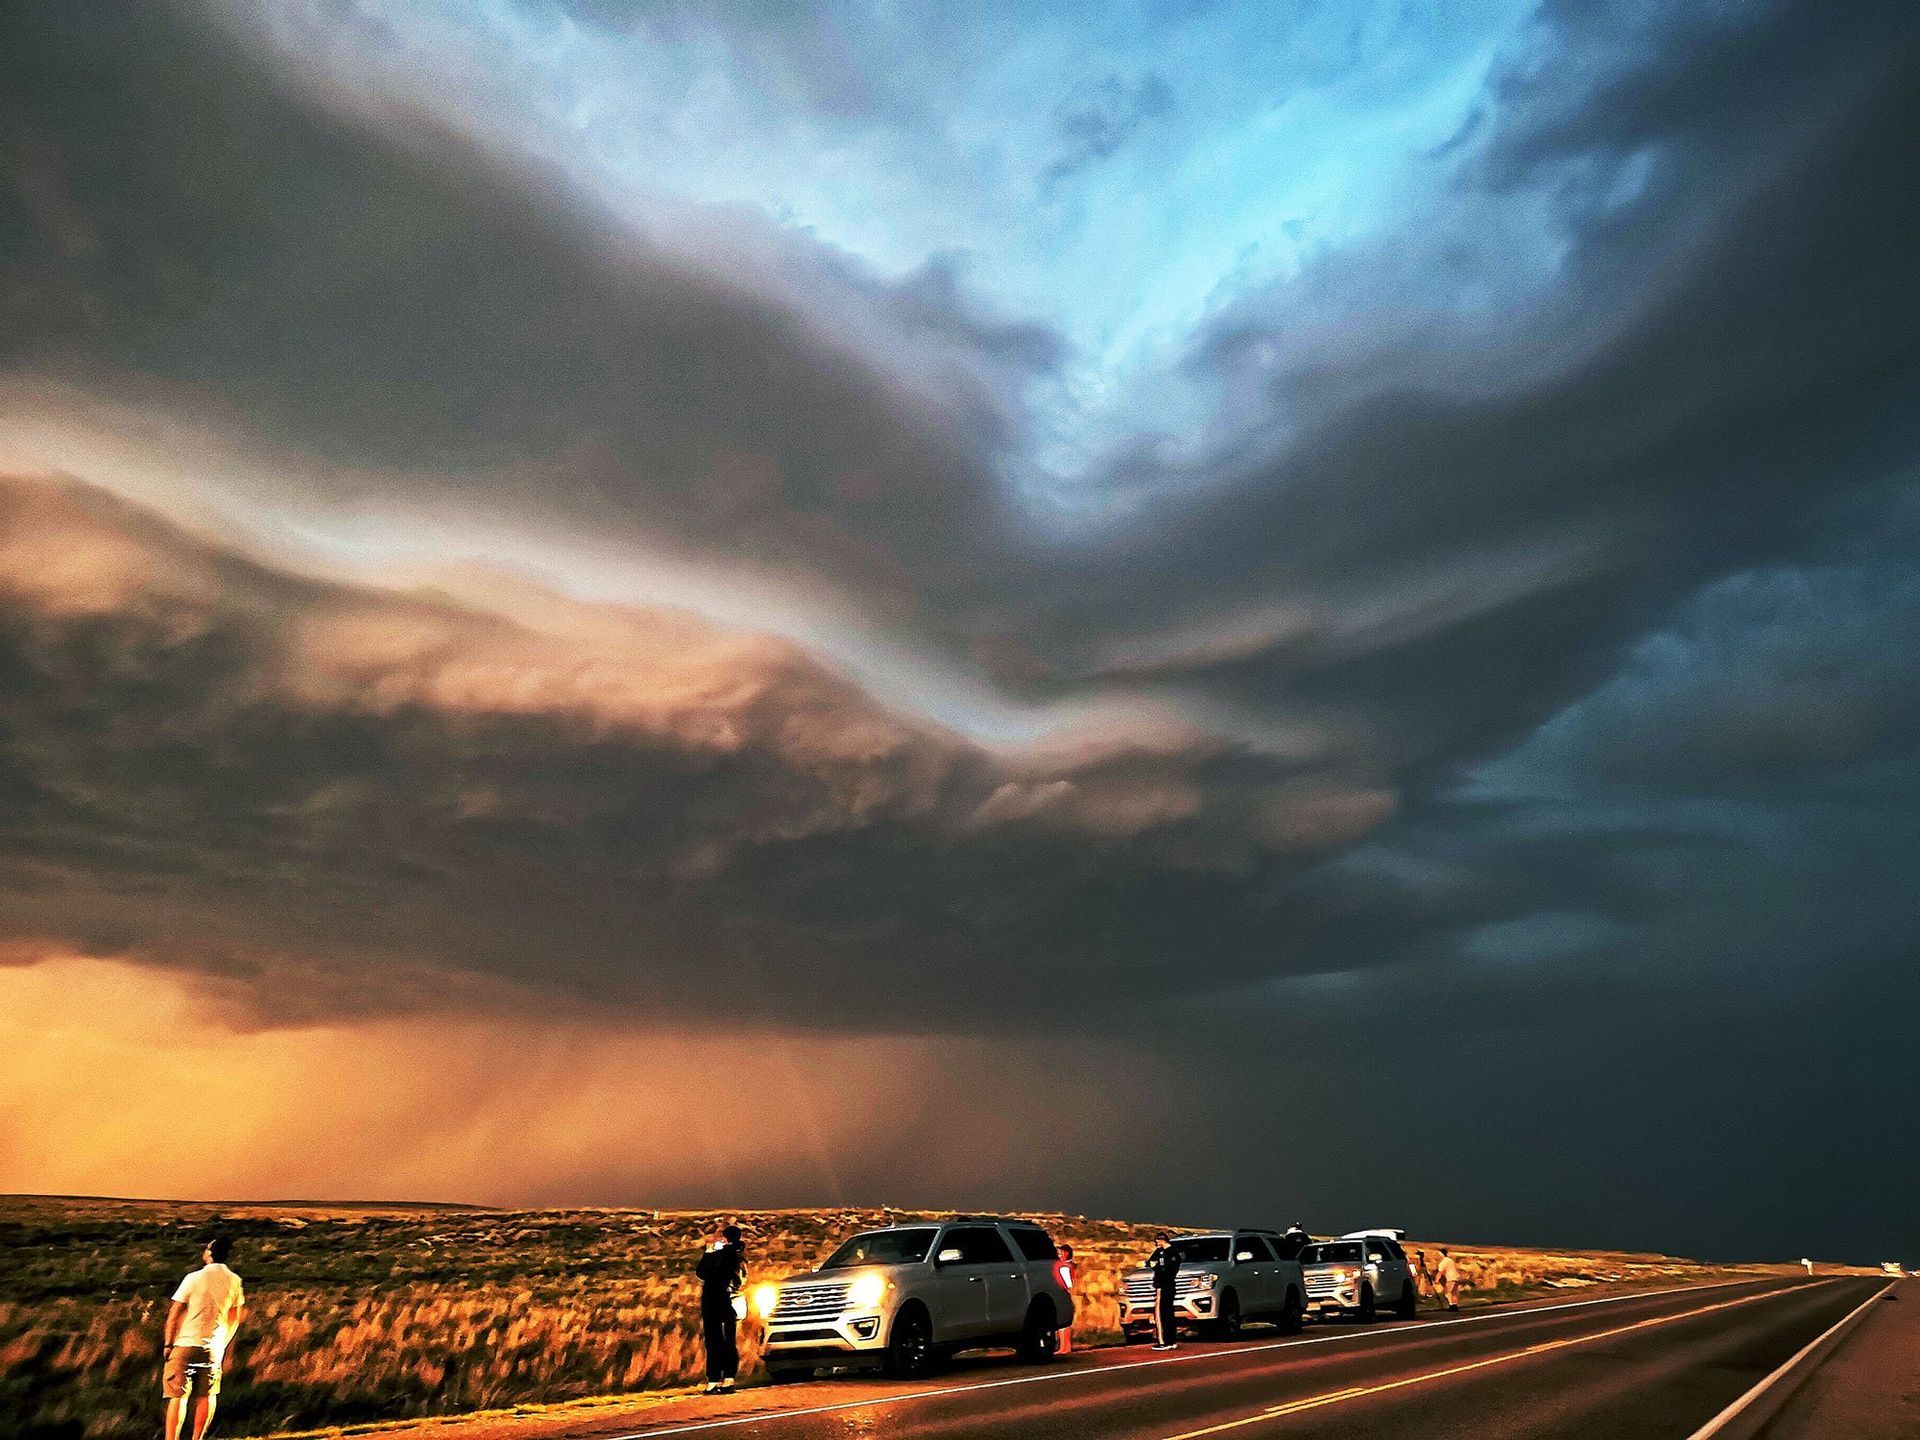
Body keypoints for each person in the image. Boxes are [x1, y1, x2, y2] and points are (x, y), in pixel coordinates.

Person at [163, 1236, 245, 1440]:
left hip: (185, 1343)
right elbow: (235, 1317)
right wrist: (223, 1341)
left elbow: (174, 1313)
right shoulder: (234, 1280)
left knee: (178, 1396)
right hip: (213, 1346)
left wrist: (168, 1343)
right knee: (207, 1395)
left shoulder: (193, 1277)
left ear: (209, 1253)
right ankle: (197, 1438)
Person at [696, 1224, 746, 1393]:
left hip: (714, 1300)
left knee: (713, 1340)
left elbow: (701, 1273)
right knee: (728, 1340)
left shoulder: (720, 1255)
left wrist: (709, 1253)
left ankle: (714, 1379)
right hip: (730, 1300)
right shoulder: (739, 1256)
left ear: (725, 1238)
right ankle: (729, 1378)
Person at [1146, 1232, 1182, 1351]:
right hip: (1162, 1284)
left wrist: (1159, 1268)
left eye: (1157, 1241)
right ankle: (1170, 1341)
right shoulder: (1158, 1252)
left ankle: (1164, 1341)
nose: (1156, 1243)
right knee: (1166, 1313)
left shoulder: (1172, 1252)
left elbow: (1170, 1268)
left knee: (1163, 1313)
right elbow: (1149, 1263)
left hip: (1165, 1285)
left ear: (1162, 1240)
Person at [1435, 1247, 1460, 1311]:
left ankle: (1451, 1306)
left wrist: (1437, 1280)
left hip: (1450, 1278)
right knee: (1454, 1293)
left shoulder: (1443, 1262)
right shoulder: (1450, 1260)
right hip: (1456, 1278)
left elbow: (1440, 1272)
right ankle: (1455, 1306)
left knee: (1447, 1292)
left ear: (1441, 1254)